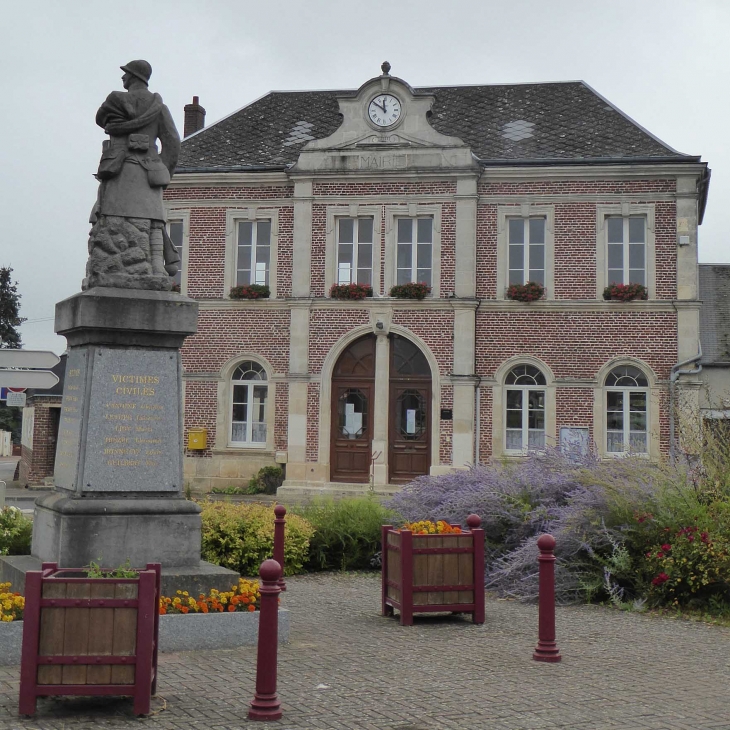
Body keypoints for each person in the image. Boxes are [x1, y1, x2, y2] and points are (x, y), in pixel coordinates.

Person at [87, 60, 181, 287]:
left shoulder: (116, 100)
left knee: (113, 217)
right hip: (149, 174)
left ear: (134, 76)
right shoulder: (160, 108)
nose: (122, 78)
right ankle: (156, 268)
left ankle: (117, 266)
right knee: (154, 223)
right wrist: (161, 173)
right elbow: (173, 143)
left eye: (125, 74)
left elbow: (101, 119)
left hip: (119, 170)